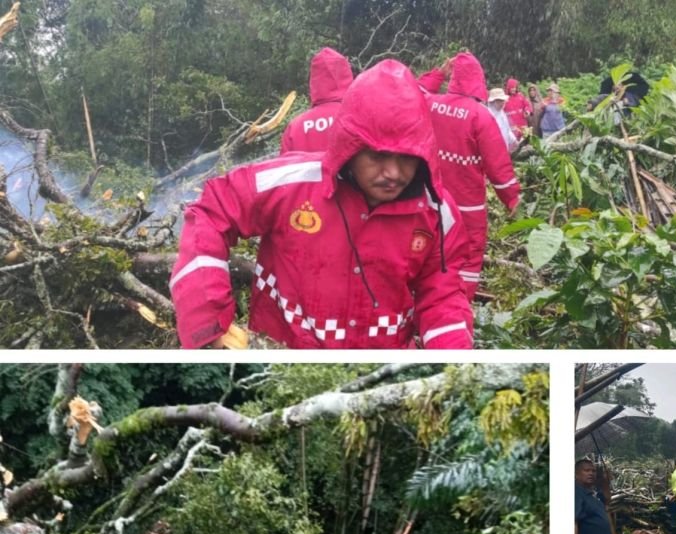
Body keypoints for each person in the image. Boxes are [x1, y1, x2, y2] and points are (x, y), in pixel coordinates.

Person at [171, 59, 473, 349]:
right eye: (378, 156)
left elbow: (442, 297)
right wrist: (207, 321)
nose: (393, 173)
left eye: (407, 157)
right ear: (351, 147)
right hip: (281, 358)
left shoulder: (438, 212)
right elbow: (212, 210)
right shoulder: (290, 184)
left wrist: (454, 361)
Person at [419, 52, 520, 299]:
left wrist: (438, 74)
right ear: (479, 81)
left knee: (426, 249)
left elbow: (412, 92)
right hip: (467, 205)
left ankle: (425, 302)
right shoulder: (480, 115)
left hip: (429, 198)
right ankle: (458, 306)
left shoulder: (431, 104)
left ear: (454, 78)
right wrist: (512, 198)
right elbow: (498, 164)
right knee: (468, 256)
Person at [280, 47, 354, 153]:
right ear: (346, 75)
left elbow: (286, 163)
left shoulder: (294, 128)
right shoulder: (359, 117)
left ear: (314, 80)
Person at [487, 87, 518, 152]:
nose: (502, 103)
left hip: (504, 148)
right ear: (493, 101)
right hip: (494, 150)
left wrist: (514, 141)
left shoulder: (501, 113)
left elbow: (507, 130)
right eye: (500, 101)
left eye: (503, 101)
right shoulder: (488, 115)